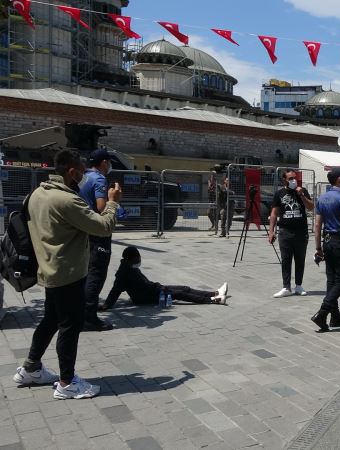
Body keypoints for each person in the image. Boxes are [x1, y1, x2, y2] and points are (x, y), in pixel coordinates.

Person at [12, 149, 121, 400]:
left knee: (50, 320)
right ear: (72, 172)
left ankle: (31, 367)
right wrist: (113, 201)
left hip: (48, 269)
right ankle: (67, 382)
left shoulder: (37, 193)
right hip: (68, 273)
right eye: (82, 172)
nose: (84, 177)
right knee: (70, 327)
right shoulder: (66, 200)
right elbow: (103, 227)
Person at [100, 247, 229, 309]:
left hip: (153, 289)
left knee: (185, 288)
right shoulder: (122, 275)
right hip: (147, 297)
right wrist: (106, 305)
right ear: (131, 259)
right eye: (137, 258)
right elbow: (115, 291)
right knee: (179, 294)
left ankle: (215, 293)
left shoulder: (130, 266)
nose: (139, 260)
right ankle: (213, 300)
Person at [311, 167, 340, 331]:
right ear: (339, 179)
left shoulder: (322, 198)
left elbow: (317, 225)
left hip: (327, 241)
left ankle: (335, 317)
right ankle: (322, 313)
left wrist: (318, 247)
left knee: (331, 280)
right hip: (339, 242)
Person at [78, 148, 116, 332]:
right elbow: (101, 207)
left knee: (86, 272)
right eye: (108, 162)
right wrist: (113, 200)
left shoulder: (84, 177)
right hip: (97, 233)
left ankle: (81, 312)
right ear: (103, 163)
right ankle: (89, 317)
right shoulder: (99, 178)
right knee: (97, 273)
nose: (109, 166)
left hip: (83, 230)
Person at [269, 169, 314, 298]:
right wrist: (271, 231)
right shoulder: (279, 194)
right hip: (285, 232)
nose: (294, 180)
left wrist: (302, 195)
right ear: (284, 180)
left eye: (295, 178)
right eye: (290, 179)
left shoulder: (302, 191)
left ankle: (298, 286)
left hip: (301, 232)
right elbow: (274, 213)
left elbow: (311, 207)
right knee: (286, 260)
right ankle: (286, 287)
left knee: (300, 260)